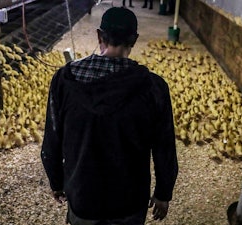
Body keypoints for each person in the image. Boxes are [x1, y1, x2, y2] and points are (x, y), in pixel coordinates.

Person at [41, 7, 178, 225]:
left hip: (83, 197)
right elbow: (164, 147)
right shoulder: (154, 87)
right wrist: (163, 192)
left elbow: (52, 139)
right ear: (134, 40)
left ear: (99, 35)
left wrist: (56, 181)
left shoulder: (64, 81)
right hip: (129, 201)